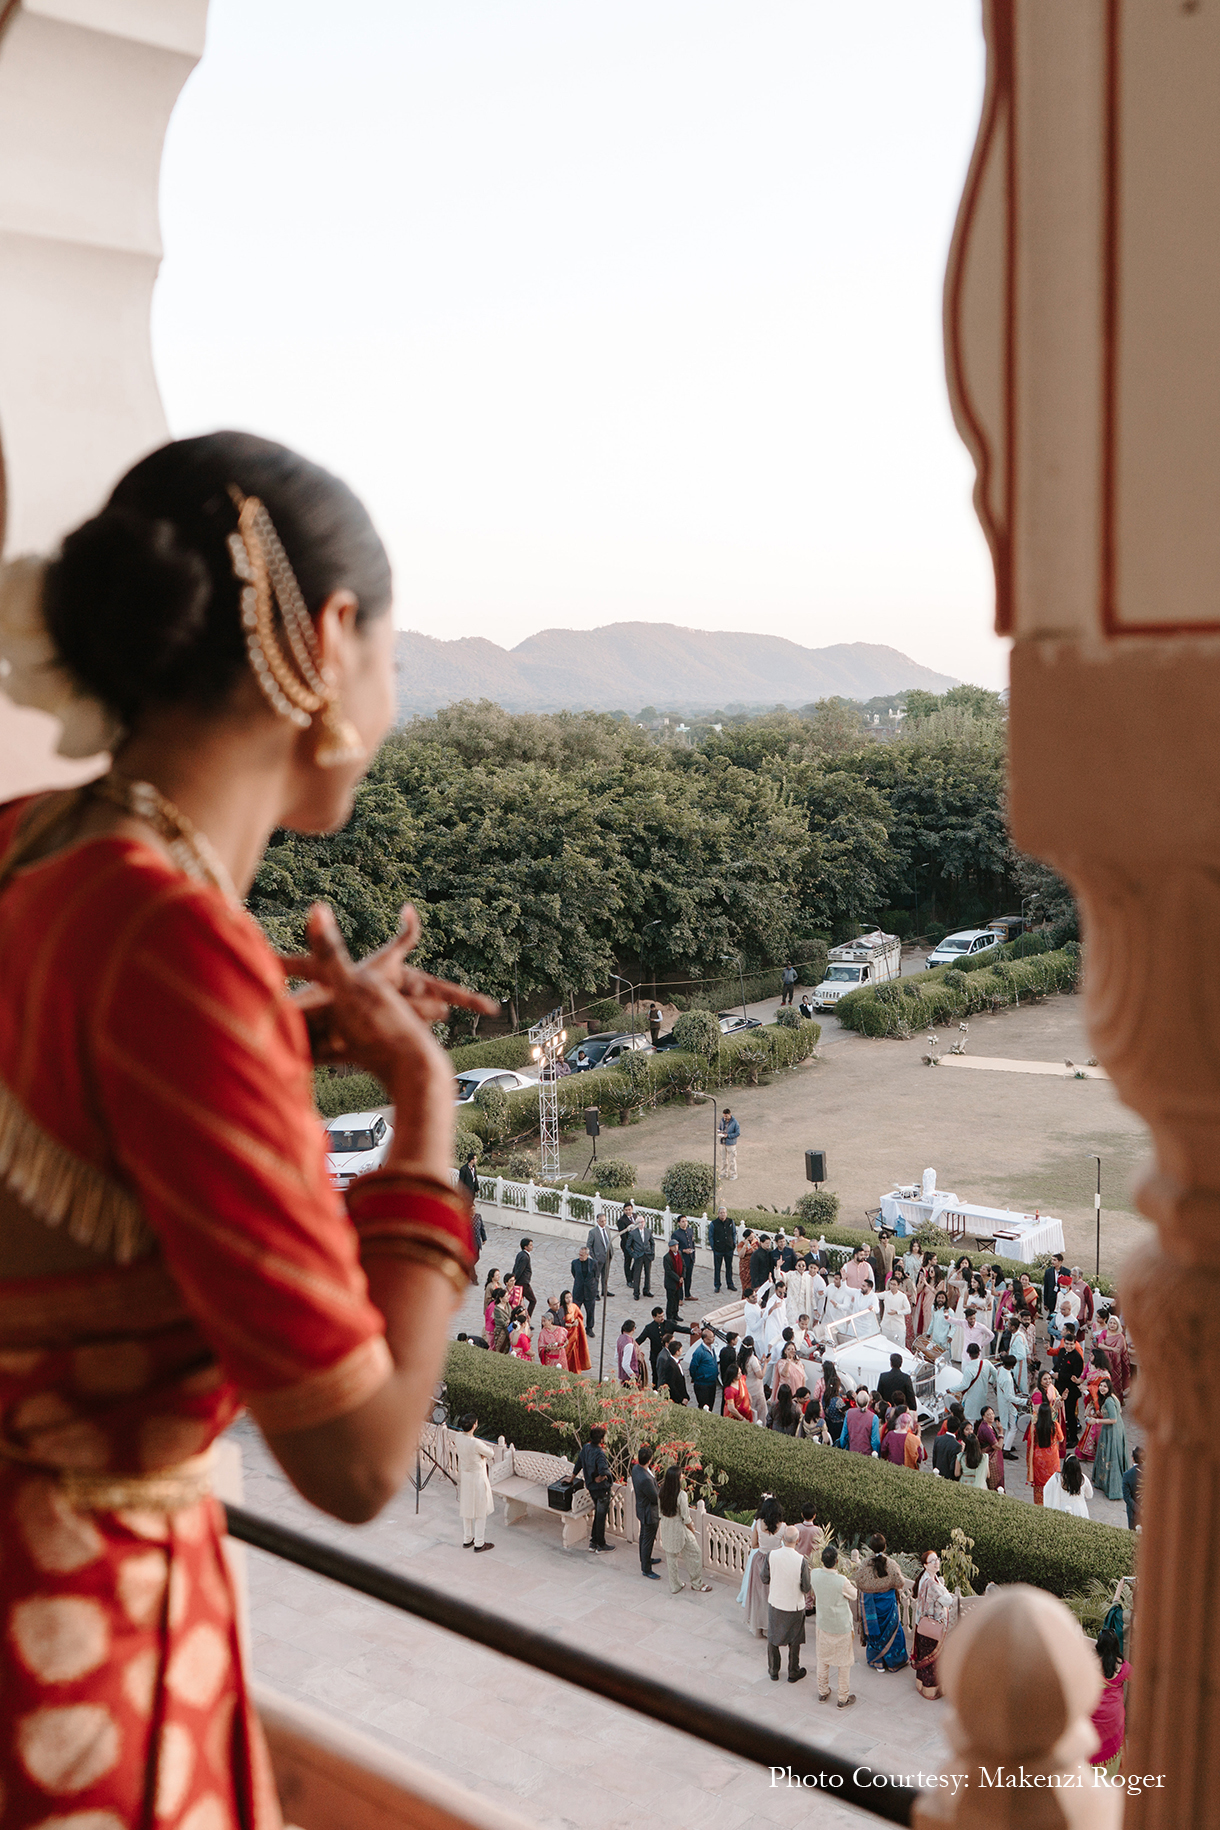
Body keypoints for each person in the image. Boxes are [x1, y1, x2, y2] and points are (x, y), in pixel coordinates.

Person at [0, 432, 514, 1827]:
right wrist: (423, 1112)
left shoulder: (29, 846)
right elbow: (355, 1460)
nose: (394, 699)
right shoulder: (175, 944)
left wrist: (264, 1045)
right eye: (395, 660)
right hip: (81, 1655)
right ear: (331, 640)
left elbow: (66, 1136)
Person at [808, 1545, 857, 1707]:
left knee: (822, 1658)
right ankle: (842, 1698)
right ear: (836, 1561)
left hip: (823, 1623)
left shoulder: (814, 1575)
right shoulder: (841, 1581)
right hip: (841, 1626)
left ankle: (822, 1692)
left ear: (822, 1560)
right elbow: (854, 1595)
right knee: (844, 1664)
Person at [762, 1524, 811, 1681]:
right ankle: (793, 1671)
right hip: (794, 1606)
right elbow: (806, 1587)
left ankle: (773, 1670)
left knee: (773, 1638)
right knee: (794, 1640)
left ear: (783, 1538)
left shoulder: (772, 1555)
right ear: (798, 1540)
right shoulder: (801, 1561)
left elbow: (764, 1578)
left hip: (776, 1602)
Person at [855, 1534, 908, 1671]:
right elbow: (900, 1582)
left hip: (871, 1606)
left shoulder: (865, 1564)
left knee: (875, 1632)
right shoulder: (891, 1564)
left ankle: (878, 1663)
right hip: (888, 1604)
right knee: (893, 1632)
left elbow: (859, 1582)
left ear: (871, 1548)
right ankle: (893, 1662)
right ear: (885, 1547)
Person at [659, 1463, 713, 1594]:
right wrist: (693, 1530)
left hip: (666, 1526)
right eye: (680, 1475)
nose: (683, 1477)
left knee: (671, 1558)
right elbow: (686, 1517)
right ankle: (697, 1583)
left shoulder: (661, 1492)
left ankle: (675, 1585)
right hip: (679, 1528)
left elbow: (660, 1512)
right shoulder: (681, 1495)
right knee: (695, 1553)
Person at [739, 1496, 785, 1634]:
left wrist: (763, 1545)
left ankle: (758, 1626)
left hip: (760, 1560)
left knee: (759, 1594)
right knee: (773, 1594)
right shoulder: (783, 1526)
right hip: (775, 1560)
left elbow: (753, 1544)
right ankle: (770, 1626)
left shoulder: (758, 1523)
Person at [913, 1550, 953, 1700]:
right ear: (925, 1565)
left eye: (937, 1559)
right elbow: (947, 1601)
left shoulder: (926, 1578)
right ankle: (930, 1690)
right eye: (932, 1561)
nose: (937, 1562)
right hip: (933, 1627)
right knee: (932, 1660)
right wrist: (944, 1588)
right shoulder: (932, 1583)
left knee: (923, 1655)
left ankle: (921, 1685)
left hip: (922, 1625)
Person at [454, 1413, 497, 1552]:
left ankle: (467, 1539)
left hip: (466, 1477)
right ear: (474, 1426)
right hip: (477, 1477)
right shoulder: (475, 1443)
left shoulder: (458, 1437)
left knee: (467, 1508)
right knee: (480, 1510)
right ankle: (479, 1542)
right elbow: (491, 1453)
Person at [1090, 1628, 1131, 1767]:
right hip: (1113, 1714)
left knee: (1092, 1743)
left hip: (1093, 1711)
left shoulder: (1090, 1662)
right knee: (1112, 1746)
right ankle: (1110, 1775)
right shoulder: (1122, 1666)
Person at [576, 1423, 615, 1552]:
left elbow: (579, 1463)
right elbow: (603, 1470)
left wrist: (571, 1478)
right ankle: (601, 1545)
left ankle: (593, 1542)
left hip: (591, 1488)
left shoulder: (586, 1448)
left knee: (598, 1514)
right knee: (601, 1515)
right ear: (601, 1439)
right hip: (601, 1489)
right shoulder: (600, 1453)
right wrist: (602, 1477)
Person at [1091, 1375, 1131, 1501]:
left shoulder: (1108, 1400)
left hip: (1112, 1431)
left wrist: (1097, 1420)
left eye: (1105, 1386)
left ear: (1109, 1388)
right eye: (1101, 1386)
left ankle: (1112, 1487)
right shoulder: (1112, 1397)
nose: (1102, 1388)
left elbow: (1113, 1419)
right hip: (1117, 1429)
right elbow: (1118, 1412)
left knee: (1110, 1455)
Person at [1052, 1321, 1086, 1447]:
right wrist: (1053, 1372)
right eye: (1067, 1344)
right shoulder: (1061, 1352)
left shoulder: (1077, 1357)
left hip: (1071, 1391)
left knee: (1070, 1415)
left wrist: (1060, 1376)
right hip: (1059, 1387)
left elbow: (1076, 1375)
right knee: (1058, 1412)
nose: (1069, 1346)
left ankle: (1073, 1438)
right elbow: (1058, 1366)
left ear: (1074, 1344)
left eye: (1071, 1344)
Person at [631, 1443, 661, 1578]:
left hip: (642, 1509)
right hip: (649, 1513)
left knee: (644, 1536)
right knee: (647, 1539)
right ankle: (646, 1568)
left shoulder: (636, 1469)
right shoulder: (646, 1479)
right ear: (649, 1460)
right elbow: (655, 1498)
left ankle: (646, 1559)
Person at [1026, 1397, 1065, 1504]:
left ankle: (1040, 1504)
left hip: (1038, 1458)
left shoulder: (1034, 1427)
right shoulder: (1055, 1425)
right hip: (1052, 1457)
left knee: (1039, 1483)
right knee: (1053, 1481)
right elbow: (1061, 1439)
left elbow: (1030, 1443)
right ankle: (1053, 1503)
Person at [960, 1342, 996, 1424]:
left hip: (971, 1399)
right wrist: (991, 1381)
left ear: (969, 1354)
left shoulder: (968, 1369)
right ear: (979, 1353)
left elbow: (964, 1385)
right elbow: (995, 1373)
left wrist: (951, 1389)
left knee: (970, 1421)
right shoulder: (986, 1363)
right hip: (982, 1396)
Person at [570, 1245, 599, 1335]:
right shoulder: (575, 1263)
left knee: (590, 1311)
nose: (580, 1257)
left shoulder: (593, 1263)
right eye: (579, 1254)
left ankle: (589, 1328)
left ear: (587, 1255)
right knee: (575, 1311)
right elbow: (574, 1273)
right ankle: (575, 1327)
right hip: (578, 1291)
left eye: (582, 1255)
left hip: (589, 1291)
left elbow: (596, 1275)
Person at [560, 1289, 591, 1372]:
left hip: (574, 1332)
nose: (569, 1299)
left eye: (570, 1297)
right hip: (567, 1333)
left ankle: (575, 1369)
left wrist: (577, 1321)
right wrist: (570, 1325)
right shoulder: (562, 1309)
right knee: (566, 1351)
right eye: (567, 1298)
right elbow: (561, 1323)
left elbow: (579, 1317)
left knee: (574, 1351)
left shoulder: (574, 1307)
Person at [689, 1327, 720, 1410]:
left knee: (710, 1405)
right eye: (711, 1338)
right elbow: (693, 1367)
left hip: (711, 1382)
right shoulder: (699, 1352)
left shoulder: (712, 1348)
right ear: (705, 1339)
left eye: (713, 1337)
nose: (713, 1339)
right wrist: (698, 1378)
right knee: (704, 1406)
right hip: (703, 1384)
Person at [840, 1389, 880, 1453]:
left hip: (852, 1451)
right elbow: (875, 1441)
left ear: (856, 1401)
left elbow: (843, 1437)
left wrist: (842, 1446)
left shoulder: (849, 1413)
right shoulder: (874, 1418)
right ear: (868, 1402)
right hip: (867, 1454)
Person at [586, 1216, 616, 1297]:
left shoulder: (607, 1229)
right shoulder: (593, 1232)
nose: (604, 1223)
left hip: (607, 1256)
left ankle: (605, 1290)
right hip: (598, 1258)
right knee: (596, 1276)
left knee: (605, 1275)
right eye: (602, 1221)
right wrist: (594, 1257)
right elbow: (589, 1245)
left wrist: (611, 1252)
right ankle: (595, 1293)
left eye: (605, 1221)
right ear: (597, 1221)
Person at [626, 1216, 656, 1298]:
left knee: (648, 1274)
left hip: (647, 1255)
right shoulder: (633, 1233)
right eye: (639, 1222)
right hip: (638, 1256)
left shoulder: (648, 1231)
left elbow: (652, 1243)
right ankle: (636, 1293)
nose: (641, 1223)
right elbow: (628, 1246)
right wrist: (633, 1254)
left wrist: (652, 1252)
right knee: (637, 1275)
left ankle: (646, 1290)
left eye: (642, 1222)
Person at [711, 1204, 737, 1292]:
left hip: (729, 1249)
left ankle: (730, 1284)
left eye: (724, 1213)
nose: (723, 1214)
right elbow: (711, 1236)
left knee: (729, 1267)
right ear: (718, 1214)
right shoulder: (714, 1223)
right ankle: (717, 1285)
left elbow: (734, 1233)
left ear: (726, 1213)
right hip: (718, 1250)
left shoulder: (730, 1222)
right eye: (721, 1213)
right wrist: (713, 1247)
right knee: (717, 1268)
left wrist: (733, 1243)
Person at [656, 1333, 688, 1405]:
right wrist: (680, 1398)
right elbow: (669, 1382)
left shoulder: (672, 1360)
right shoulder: (666, 1360)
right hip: (675, 1397)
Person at [740, 1336, 767, 1422]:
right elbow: (760, 1375)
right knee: (761, 1413)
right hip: (756, 1390)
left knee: (750, 1411)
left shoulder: (740, 1357)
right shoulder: (752, 1359)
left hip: (746, 1388)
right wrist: (766, 1363)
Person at [637, 1306, 667, 1382]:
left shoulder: (668, 1324)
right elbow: (640, 1339)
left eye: (663, 1316)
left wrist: (691, 1331)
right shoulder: (649, 1328)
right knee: (655, 1375)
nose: (662, 1318)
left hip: (666, 1356)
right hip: (655, 1356)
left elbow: (679, 1328)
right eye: (659, 1317)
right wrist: (630, 1345)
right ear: (654, 1317)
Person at [722, 1356, 754, 1422]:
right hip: (736, 1417)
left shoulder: (741, 1379)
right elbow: (731, 1408)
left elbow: (744, 1388)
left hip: (747, 1413)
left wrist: (748, 1395)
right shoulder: (729, 1390)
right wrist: (741, 1418)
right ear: (733, 1377)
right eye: (739, 1373)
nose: (741, 1374)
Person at [662, 1236, 686, 1322]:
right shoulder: (667, 1257)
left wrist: (683, 1276)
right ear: (670, 1247)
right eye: (674, 1246)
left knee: (677, 1299)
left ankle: (675, 1314)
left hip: (679, 1282)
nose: (676, 1247)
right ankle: (670, 1317)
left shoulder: (679, 1253)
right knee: (671, 1301)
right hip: (671, 1283)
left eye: (677, 1245)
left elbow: (683, 1265)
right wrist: (677, 1278)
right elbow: (669, 1271)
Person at [512, 1237, 537, 1317]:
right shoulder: (525, 1257)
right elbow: (520, 1270)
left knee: (519, 1301)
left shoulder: (520, 1254)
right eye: (530, 1245)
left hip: (521, 1282)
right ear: (525, 1247)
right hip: (523, 1282)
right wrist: (514, 1280)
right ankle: (527, 1318)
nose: (532, 1246)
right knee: (533, 1300)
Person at [673, 1214, 697, 1299]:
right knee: (681, 1278)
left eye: (686, 1221)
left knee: (689, 1277)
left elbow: (692, 1243)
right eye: (683, 1221)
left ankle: (688, 1294)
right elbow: (674, 1248)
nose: (685, 1223)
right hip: (681, 1259)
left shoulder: (690, 1231)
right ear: (679, 1223)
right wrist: (684, 1250)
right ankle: (679, 1297)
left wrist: (693, 1255)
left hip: (690, 1258)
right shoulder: (676, 1234)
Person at [1122, 1444, 1144, 1529]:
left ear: (1133, 1458)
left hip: (1134, 1514)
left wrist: (1139, 1510)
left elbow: (1127, 1497)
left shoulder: (1127, 1475)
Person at [616, 1317, 643, 1385]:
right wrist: (633, 1377)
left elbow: (616, 1356)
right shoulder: (629, 1344)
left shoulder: (620, 1338)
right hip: (628, 1378)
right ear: (633, 1329)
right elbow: (625, 1364)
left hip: (622, 1375)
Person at [720, 1107, 740, 1180]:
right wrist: (720, 1132)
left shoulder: (735, 1122)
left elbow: (737, 1133)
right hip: (723, 1143)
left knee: (732, 1160)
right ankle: (723, 1173)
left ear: (730, 1114)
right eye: (724, 1116)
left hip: (731, 1143)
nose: (725, 1117)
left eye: (726, 1116)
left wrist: (728, 1136)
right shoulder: (722, 1120)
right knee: (723, 1159)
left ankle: (733, 1174)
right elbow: (720, 1128)